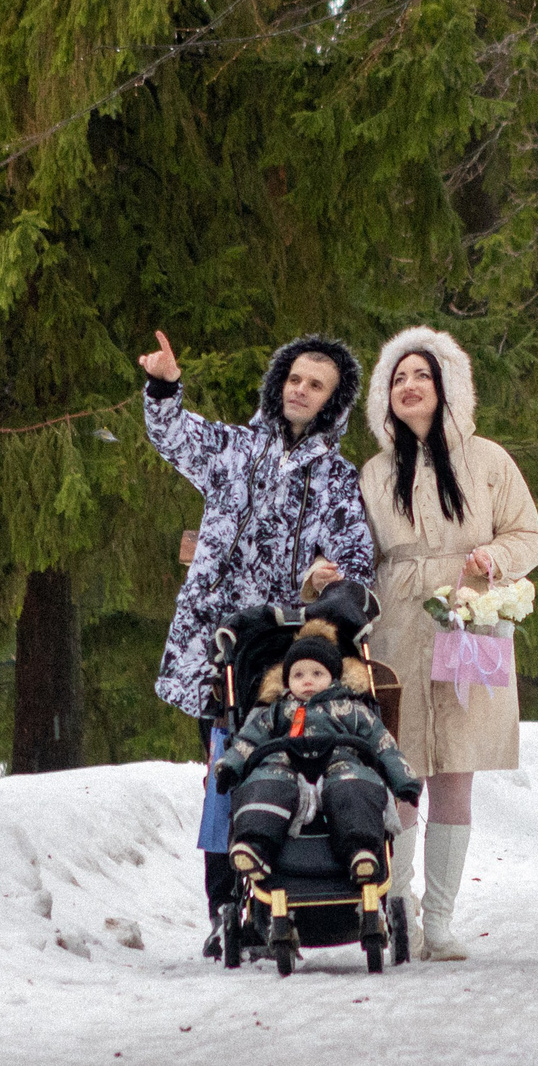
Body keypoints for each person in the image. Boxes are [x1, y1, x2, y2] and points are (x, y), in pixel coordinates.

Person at [139, 330, 376, 943]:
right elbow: (172, 434)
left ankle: (299, 890)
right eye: (294, 378)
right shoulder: (232, 447)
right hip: (220, 647)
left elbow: (355, 562)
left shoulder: (338, 479)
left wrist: (331, 580)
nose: (301, 390)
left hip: (292, 651)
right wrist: (165, 385)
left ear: (333, 401)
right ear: (279, 384)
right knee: (223, 766)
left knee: (294, 763)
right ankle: (225, 907)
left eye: (315, 384)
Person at [359, 327, 538, 961]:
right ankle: (399, 909)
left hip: (472, 616)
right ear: (385, 398)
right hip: (399, 625)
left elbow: (530, 535)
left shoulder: (488, 460)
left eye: (421, 375)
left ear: (446, 387)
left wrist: (495, 556)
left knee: (458, 772)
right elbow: (357, 552)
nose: (410, 386)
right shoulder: (375, 471)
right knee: (401, 770)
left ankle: (439, 922)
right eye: (398, 378)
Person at [215, 621, 421, 885]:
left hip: (339, 764)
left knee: (356, 785)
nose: (308, 680)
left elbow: (382, 743)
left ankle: (361, 850)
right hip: (285, 765)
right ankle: (255, 846)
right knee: (265, 782)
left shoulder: (351, 709)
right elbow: (248, 741)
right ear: (287, 680)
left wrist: (403, 779)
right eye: (298, 675)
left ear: (333, 677)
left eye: (317, 673)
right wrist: (230, 766)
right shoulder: (276, 712)